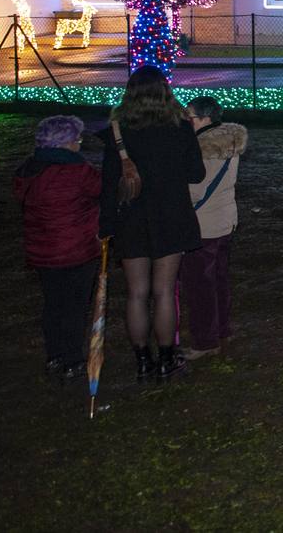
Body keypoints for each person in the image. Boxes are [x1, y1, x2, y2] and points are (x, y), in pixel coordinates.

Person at [98, 65, 205, 381]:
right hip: (170, 215)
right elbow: (196, 173)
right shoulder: (180, 128)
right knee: (164, 291)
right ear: (165, 93)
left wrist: (106, 227)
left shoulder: (117, 132)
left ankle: (143, 361)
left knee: (136, 293)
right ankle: (167, 359)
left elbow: (108, 185)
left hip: (131, 218)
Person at [12, 115, 102, 379]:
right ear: (67, 142)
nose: (79, 144)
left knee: (53, 304)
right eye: (77, 139)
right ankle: (73, 358)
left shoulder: (28, 171)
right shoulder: (78, 171)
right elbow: (101, 190)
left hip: (42, 250)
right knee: (75, 306)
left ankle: (54, 354)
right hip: (77, 249)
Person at [179, 97, 247, 361]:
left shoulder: (203, 149)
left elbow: (194, 191)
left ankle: (205, 341)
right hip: (225, 220)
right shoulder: (230, 141)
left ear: (205, 118)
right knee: (219, 279)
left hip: (202, 226)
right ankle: (222, 328)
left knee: (199, 286)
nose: (186, 121)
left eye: (190, 117)